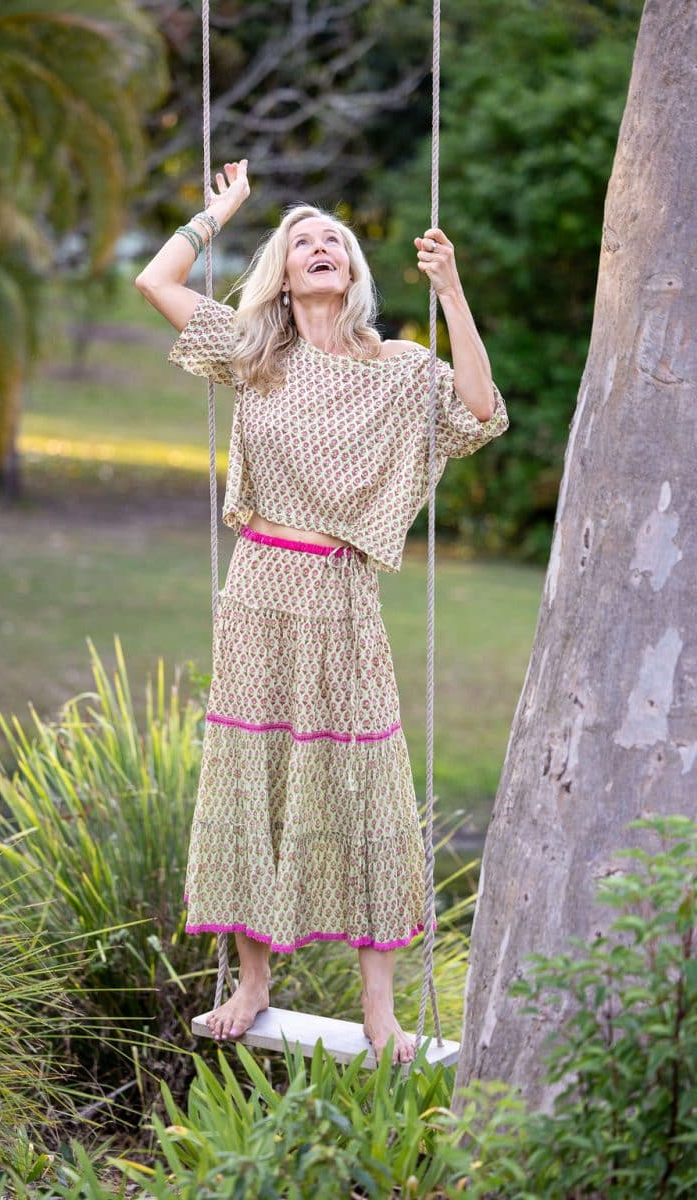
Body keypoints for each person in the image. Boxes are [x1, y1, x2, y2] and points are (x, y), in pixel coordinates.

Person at [135, 159, 508, 1065]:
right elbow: (156, 282)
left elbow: (481, 412)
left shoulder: (396, 370)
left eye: (333, 239)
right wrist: (219, 212)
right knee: (249, 773)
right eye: (303, 241)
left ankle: (381, 1012)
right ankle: (253, 981)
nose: (322, 247)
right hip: (260, 590)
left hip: (342, 598)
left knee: (364, 784)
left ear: (354, 271)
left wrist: (451, 291)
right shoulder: (256, 357)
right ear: (284, 272)